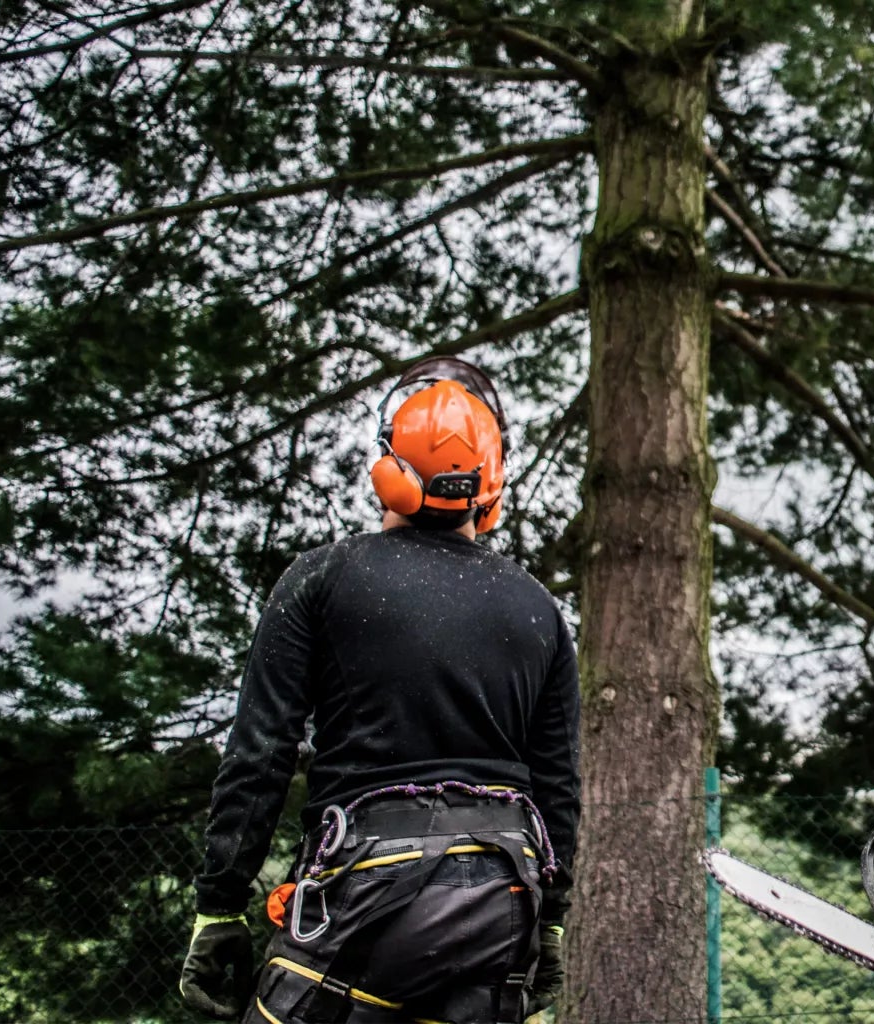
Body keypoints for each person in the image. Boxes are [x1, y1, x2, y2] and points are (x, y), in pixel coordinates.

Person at [178, 357, 580, 1024]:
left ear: (388, 470)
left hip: (360, 891)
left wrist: (220, 907)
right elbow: (558, 786)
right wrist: (552, 924)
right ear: (492, 483)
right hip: (502, 907)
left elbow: (260, 754)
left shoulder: (321, 579)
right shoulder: (540, 610)